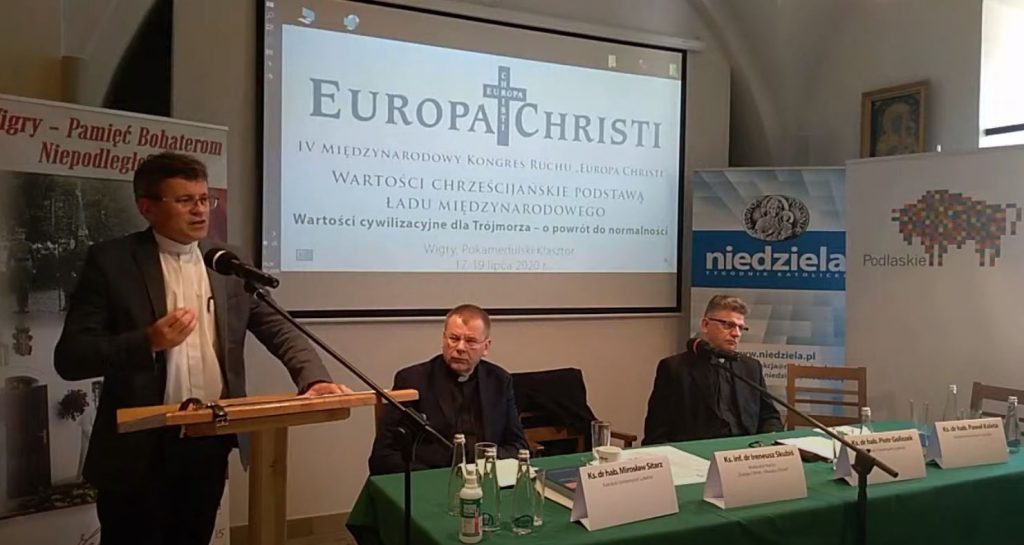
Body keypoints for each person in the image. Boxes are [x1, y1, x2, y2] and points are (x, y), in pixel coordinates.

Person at [53, 151, 352, 545]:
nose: (199, 210)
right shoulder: (112, 262)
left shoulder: (226, 262)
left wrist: (313, 379)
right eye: (185, 200)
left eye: (204, 199)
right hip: (138, 450)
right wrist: (148, 341)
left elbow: (278, 326)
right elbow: (71, 357)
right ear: (147, 207)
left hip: (208, 441)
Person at [369, 304, 528, 475]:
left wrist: (482, 464)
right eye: (454, 338)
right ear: (443, 339)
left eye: (470, 341)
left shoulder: (499, 381)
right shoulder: (413, 380)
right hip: (430, 477)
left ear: (486, 347)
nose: (460, 348)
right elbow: (383, 456)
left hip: (485, 478)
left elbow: (518, 446)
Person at [643, 295, 782, 445]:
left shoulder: (751, 367)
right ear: (705, 325)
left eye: (740, 328)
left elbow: (769, 416)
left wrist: (767, 442)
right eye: (728, 325)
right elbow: (656, 433)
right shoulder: (675, 368)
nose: (736, 333)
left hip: (746, 451)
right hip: (698, 453)